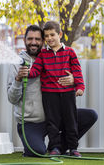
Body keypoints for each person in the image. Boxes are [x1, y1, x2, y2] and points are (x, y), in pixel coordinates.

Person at [7, 24, 98, 157]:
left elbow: (76, 70)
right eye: (30, 39)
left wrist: (76, 83)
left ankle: (66, 148)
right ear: (24, 40)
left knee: (84, 117)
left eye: (38, 39)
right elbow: (13, 98)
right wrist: (20, 77)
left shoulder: (67, 52)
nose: (33, 42)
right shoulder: (20, 63)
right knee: (37, 151)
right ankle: (52, 146)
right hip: (32, 122)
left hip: (60, 107)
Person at [28, 21, 85, 157]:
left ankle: (73, 148)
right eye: (46, 36)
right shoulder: (42, 55)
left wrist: (80, 86)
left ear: (60, 34)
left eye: (52, 35)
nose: (49, 38)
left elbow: (77, 71)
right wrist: (27, 73)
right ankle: (55, 148)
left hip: (67, 94)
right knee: (52, 122)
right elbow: (35, 71)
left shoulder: (70, 52)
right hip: (49, 94)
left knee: (70, 120)